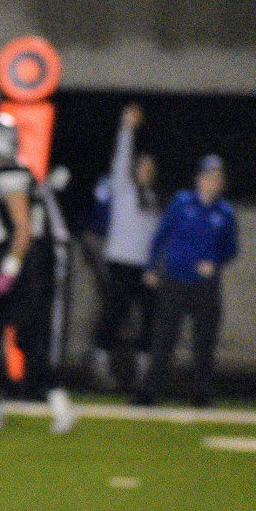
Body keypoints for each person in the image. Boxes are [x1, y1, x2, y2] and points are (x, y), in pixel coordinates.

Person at [0, 112, 76, 434]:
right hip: (22, 259)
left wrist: (10, 270)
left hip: (29, 264)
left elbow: (23, 230)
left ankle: (60, 404)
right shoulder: (11, 176)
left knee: (29, 338)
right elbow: (3, 238)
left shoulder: (9, 176)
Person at [134, 154, 237, 407]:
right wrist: (152, 267)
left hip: (206, 286)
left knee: (205, 341)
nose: (212, 182)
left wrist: (214, 262)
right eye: (208, 177)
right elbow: (160, 237)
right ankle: (149, 392)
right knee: (164, 338)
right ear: (199, 178)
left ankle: (202, 395)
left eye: (217, 178)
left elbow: (231, 249)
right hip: (175, 280)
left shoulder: (225, 212)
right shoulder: (181, 202)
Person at [93, 103, 161, 389]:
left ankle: (145, 372)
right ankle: (100, 366)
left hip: (144, 267)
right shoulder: (124, 189)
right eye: (141, 166)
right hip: (120, 261)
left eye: (149, 167)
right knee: (114, 314)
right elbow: (121, 158)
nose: (145, 170)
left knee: (148, 317)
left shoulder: (154, 200)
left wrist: (156, 266)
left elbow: (156, 237)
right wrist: (127, 129)